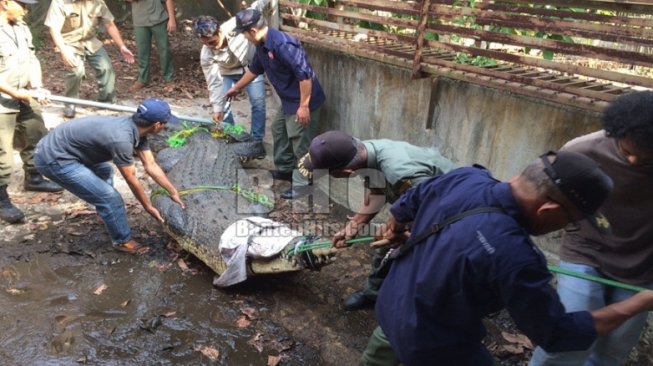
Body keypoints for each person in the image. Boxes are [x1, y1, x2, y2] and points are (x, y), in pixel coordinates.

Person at [362, 151, 653, 366]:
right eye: (572, 221)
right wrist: (638, 303)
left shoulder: (466, 177)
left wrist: (396, 228)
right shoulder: (516, 258)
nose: (566, 228)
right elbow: (557, 334)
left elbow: (407, 204)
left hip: (390, 305)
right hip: (432, 344)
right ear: (548, 209)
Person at [529, 91, 653, 365]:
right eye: (628, 151)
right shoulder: (583, 150)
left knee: (612, 351)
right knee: (568, 340)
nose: (633, 161)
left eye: (646, 158)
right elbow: (552, 196)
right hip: (586, 251)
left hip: (642, 265)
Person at [297, 130, 456, 310]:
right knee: (386, 241)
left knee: (423, 260)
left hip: (452, 212)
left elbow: (432, 212)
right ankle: (373, 294)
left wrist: (402, 234)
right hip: (426, 204)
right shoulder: (363, 152)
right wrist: (354, 226)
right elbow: (378, 194)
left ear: (347, 172)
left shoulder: (401, 173)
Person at [33, 98, 184, 254]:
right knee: (111, 198)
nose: (165, 126)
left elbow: (151, 165)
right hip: (52, 158)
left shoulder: (136, 129)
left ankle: (106, 213)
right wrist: (148, 207)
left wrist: (173, 192)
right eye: (165, 123)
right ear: (157, 125)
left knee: (104, 170)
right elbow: (131, 179)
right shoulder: (122, 139)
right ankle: (122, 241)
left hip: (66, 149)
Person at [225, 8, 326, 199]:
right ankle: (285, 169)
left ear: (252, 31)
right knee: (278, 129)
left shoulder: (283, 45)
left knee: (300, 144)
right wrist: (236, 88)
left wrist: (304, 106)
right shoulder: (263, 45)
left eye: (244, 34)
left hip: (303, 102)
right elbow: (255, 69)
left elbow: (305, 77)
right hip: (289, 100)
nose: (244, 38)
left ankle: (303, 185)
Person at [0, 0, 62, 224]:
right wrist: (16, 93)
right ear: (5, 3)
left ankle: (34, 177)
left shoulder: (21, 27)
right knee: (2, 153)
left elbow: (32, 58)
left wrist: (36, 86)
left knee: (36, 135)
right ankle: (1, 197)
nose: (27, 9)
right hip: (3, 100)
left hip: (25, 95)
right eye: (22, 4)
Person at [45, 0, 135, 118]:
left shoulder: (97, 2)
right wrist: (63, 50)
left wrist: (122, 46)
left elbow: (109, 24)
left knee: (106, 68)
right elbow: (54, 29)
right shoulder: (60, 3)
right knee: (76, 71)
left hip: (91, 41)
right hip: (69, 42)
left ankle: (107, 103)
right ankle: (70, 104)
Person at [191, 14, 266, 150]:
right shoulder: (206, 54)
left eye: (212, 42)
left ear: (219, 31)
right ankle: (232, 138)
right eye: (205, 43)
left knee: (258, 101)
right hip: (228, 73)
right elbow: (213, 82)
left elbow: (256, 7)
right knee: (223, 107)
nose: (209, 46)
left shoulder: (235, 26)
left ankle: (256, 141)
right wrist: (217, 109)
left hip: (252, 68)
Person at [126, 0, 176, 91]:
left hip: (158, 18)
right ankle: (142, 79)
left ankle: (169, 79)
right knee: (142, 51)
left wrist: (172, 19)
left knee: (164, 49)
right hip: (140, 20)